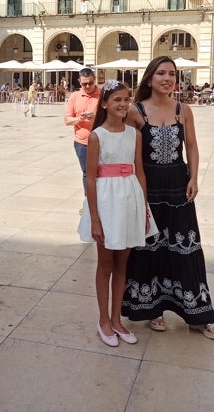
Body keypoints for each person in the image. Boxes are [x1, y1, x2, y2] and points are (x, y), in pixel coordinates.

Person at [121, 56, 214, 341]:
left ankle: (198, 312)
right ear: (150, 77)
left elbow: (191, 146)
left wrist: (193, 177)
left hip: (178, 185)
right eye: (161, 73)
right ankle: (153, 309)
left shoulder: (184, 110)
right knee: (150, 248)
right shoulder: (135, 111)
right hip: (147, 186)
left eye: (172, 74)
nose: (167, 78)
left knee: (185, 247)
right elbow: (127, 151)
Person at [76, 80, 157, 347]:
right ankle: (103, 320)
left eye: (126, 99)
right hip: (107, 201)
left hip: (129, 199)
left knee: (123, 264)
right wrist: (95, 218)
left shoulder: (135, 134)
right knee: (105, 264)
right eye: (117, 100)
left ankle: (116, 318)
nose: (123, 105)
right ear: (105, 104)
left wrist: (143, 209)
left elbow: (141, 172)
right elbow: (90, 177)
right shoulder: (97, 135)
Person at [65, 68, 101, 195]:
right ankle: (88, 204)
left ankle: (103, 202)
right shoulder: (74, 97)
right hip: (82, 142)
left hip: (102, 141)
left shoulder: (102, 95)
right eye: (84, 84)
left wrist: (97, 118)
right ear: (79, 82)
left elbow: (113, 116)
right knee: (87, 173)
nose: (87, 86)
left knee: (103, 172)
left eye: (90, 83)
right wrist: (78, 119)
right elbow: (67, 120)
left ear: (94, 80)